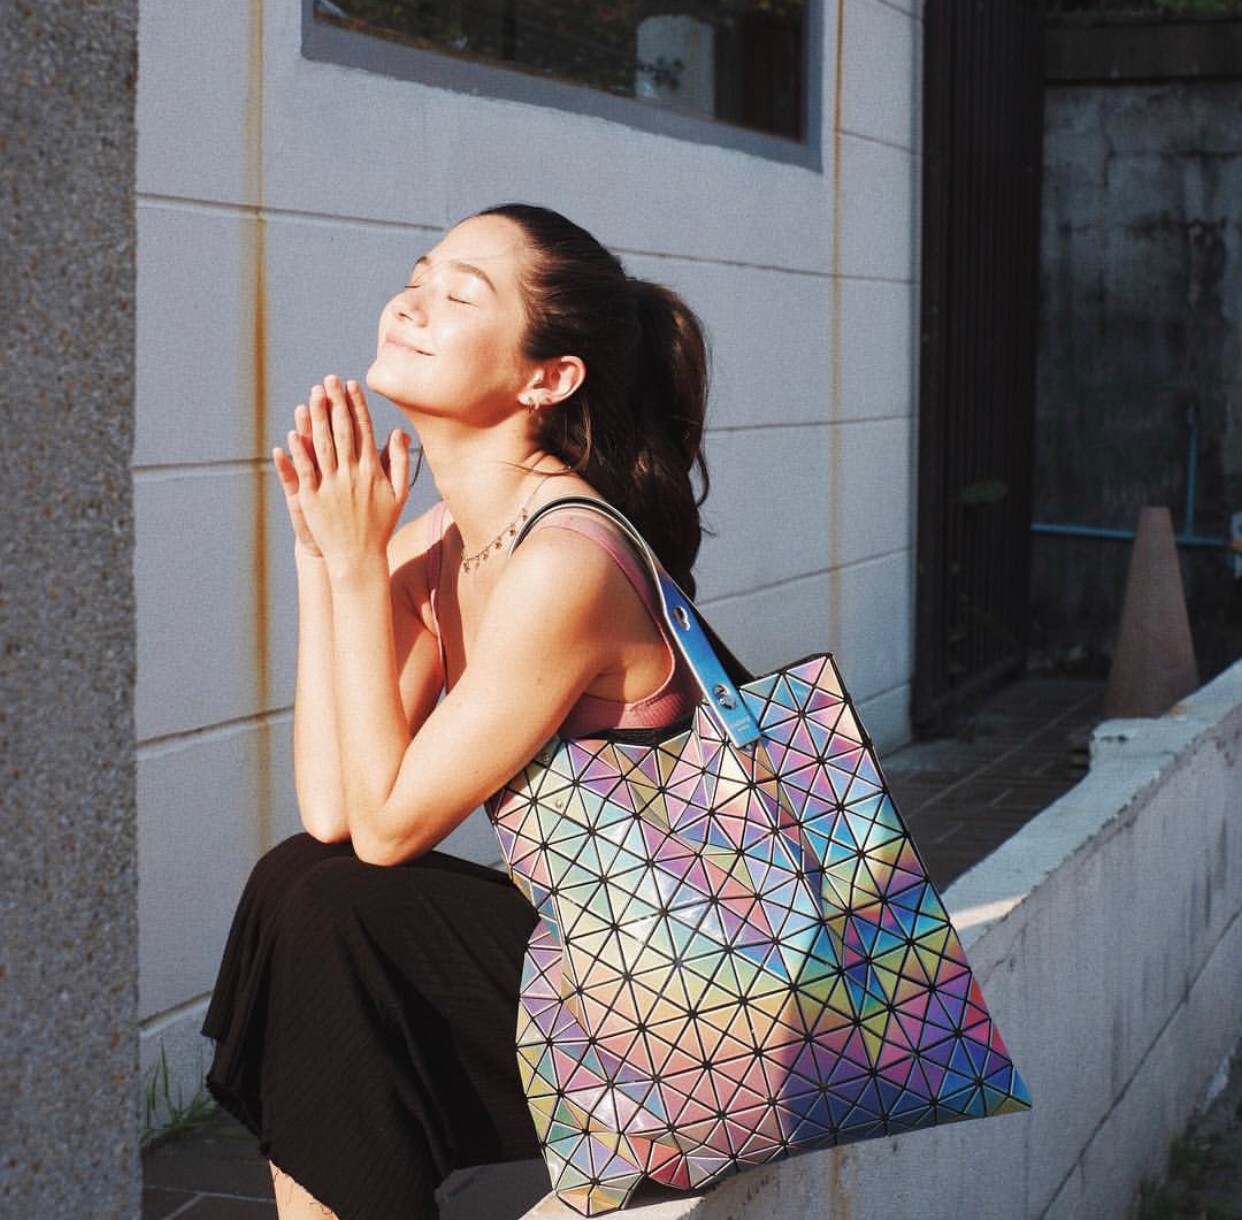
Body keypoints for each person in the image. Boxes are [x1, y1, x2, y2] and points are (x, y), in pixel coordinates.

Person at [203, 203, 712, 1219]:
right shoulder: (445, 541)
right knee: (298, 879)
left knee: (340, 914)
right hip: (601, 976)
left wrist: (358, 568)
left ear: (547, 378)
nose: (412, 304)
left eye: (459, 295)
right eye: (417, 276)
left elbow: (390, 831)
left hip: (700, 1015)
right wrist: (323, 555)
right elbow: (335, 811)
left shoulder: (568, 559)